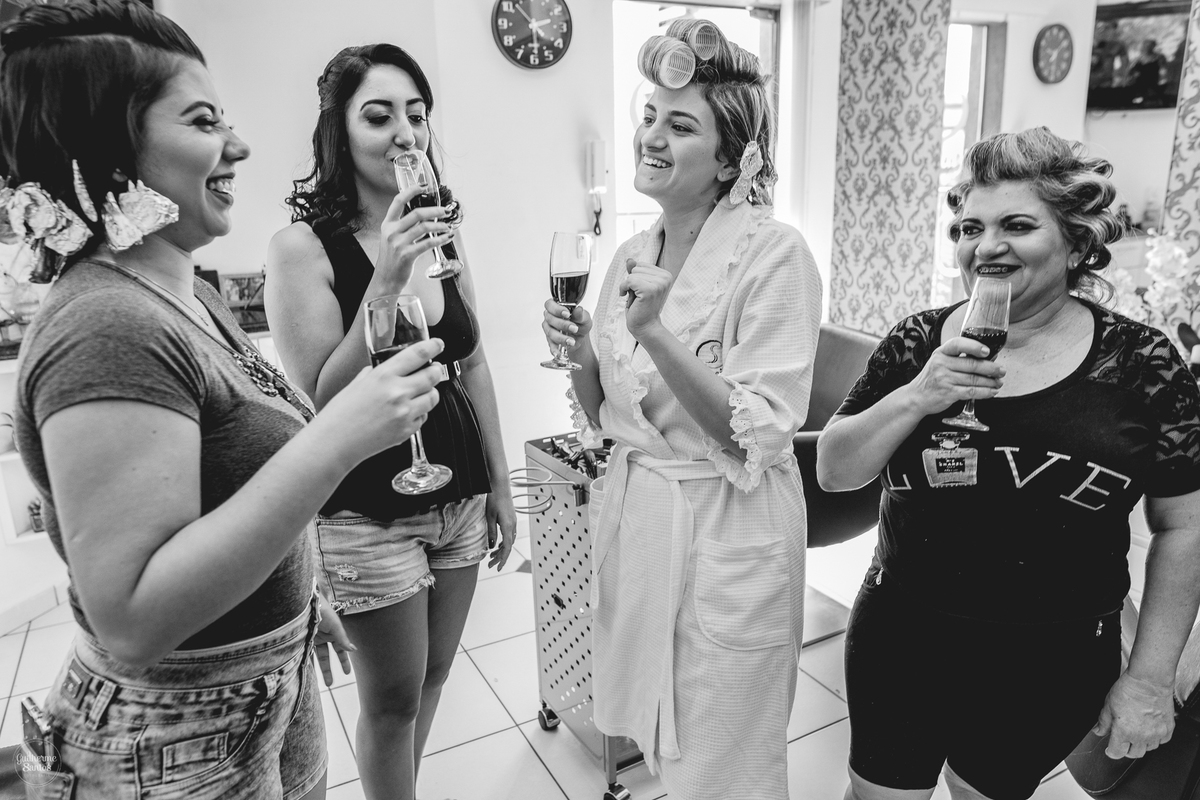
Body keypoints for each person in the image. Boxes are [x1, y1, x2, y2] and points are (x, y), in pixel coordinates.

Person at [0, 2, 444, 799]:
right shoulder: (107, 324)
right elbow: (133, 616)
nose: (238, 145)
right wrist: (338, 438)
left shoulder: (182, 290)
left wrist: (297, 604)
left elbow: (224, 489)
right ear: (109, 146)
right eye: (205, 121)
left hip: (262, 688)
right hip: (171, 739)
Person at [817, 127, 1200, 800]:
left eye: (1016, 225)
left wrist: (1147, 677)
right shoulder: (915, 343)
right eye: (969, 227)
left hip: (1053, 656)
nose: (984, 246)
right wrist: (917, 396)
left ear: (1077, 240)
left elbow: (1185, 527)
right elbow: (834, 470)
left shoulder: (1143, 365)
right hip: (903, 635)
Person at [542, 19, 822, 800]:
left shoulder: (776, 257)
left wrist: (655, 333)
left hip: (727, 525)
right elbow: (606, 419)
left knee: (727, 758)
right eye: (650, 118)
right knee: (667, 751)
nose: (651, 137)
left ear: (733, 158)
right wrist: (578, 355)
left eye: (681, 124)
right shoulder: (632, 256)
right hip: (644, 518)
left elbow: (759, 434)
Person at [265, 43, 516, 800]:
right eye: (379, 116)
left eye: (417, 114)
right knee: (392, 699)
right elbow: (319, 396)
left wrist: (503, 485)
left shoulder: (443, 230)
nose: (405, 132)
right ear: (339, 133)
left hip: (460, 492)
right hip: (367, 507)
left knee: (436, 676)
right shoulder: (299, 249)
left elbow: (472, 362)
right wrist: (386, 278)